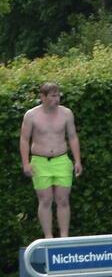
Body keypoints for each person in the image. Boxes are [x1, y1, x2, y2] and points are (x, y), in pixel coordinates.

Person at [19, 81, 82, 240]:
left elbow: (73, 137)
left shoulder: (66, 113)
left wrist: (77, 160)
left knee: (62, 199)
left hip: (61, 159)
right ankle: (48, 237)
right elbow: (24, 139)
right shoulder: (31, 115)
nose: (57, 99)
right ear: (43, 97)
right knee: (45, 199)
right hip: (40, 161)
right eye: (53, 96)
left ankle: (64, 236)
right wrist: (26, 163)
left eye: (58, 95)